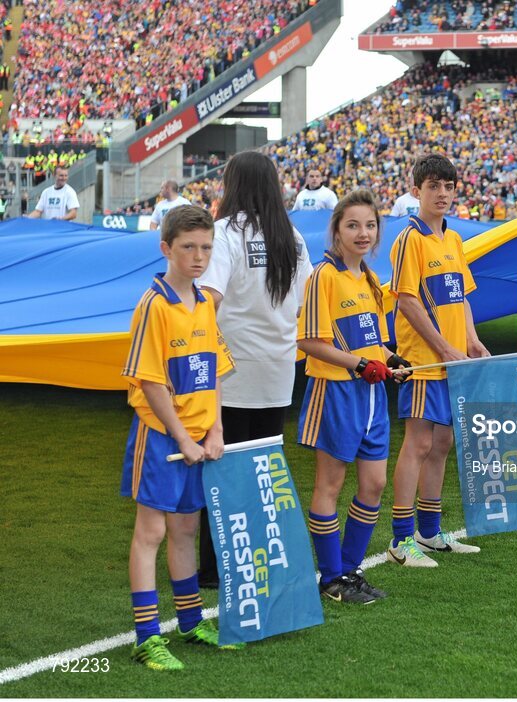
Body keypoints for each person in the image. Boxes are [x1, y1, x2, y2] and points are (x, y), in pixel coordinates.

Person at [121, 205, 242, 671]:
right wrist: (183, 439)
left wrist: (214, 429)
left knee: (187, 529)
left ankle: (190, 623)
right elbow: (150, 382)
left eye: (206, 248)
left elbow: (212, 373)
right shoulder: (154, 305)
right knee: (150, 531)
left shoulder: (205, 304)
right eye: (188, 247)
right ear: (166, 248)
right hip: (159, 438)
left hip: (197, 436)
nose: (198, 256)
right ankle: (147, 636)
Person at [196, 151, 313, 589]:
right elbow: (308, 299)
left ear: (233, 184)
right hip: (278, 370)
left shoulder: (224, 233)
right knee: (264, 468)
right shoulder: (293, 237)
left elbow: (209, 297)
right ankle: (257, 555)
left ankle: (213, 567)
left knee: (221, 467)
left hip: (231, 372)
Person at [297, 190, 412, 604]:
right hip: (335, 393)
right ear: (337, 231)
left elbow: (374, 341)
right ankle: (331, 578)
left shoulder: (369, 280)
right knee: (330, 483)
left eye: (369, 225)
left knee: (374, 484)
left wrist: (390, 357)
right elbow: (310, 341)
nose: (362, 233)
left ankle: (350, 569)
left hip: (372, 397)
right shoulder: (323, 276)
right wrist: (359, 365)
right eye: (353, 225)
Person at [386, 153, 489, 568]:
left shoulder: (453, 238)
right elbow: (407, 300)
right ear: (417, 192)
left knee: (443, 442)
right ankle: (399, 540)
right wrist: (443, 348)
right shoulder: (410, 238)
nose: (442, 194)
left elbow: (460, 295)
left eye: (448, 186)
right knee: (419, 441)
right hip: (422, 359)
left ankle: (429, 533)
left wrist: (472, 339)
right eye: (433, 187)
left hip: (452, 358)